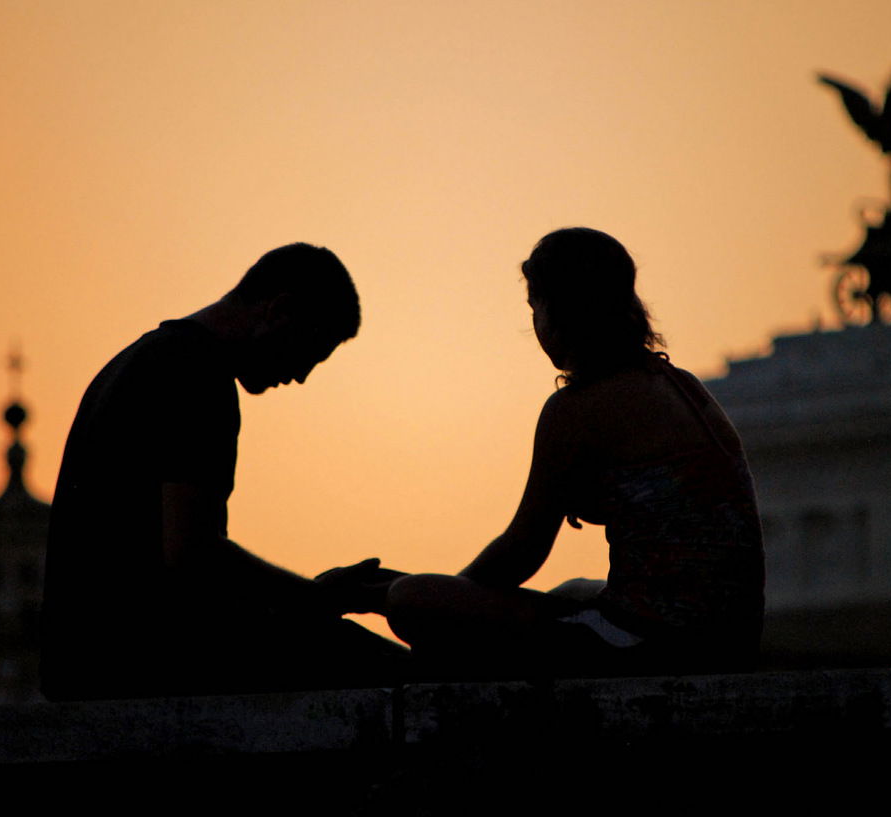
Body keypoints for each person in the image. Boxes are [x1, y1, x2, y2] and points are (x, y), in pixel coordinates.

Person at [386, 228, 764, 676]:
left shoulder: (575, 409)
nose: (535, 325)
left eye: (535, 307)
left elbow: (521, 552)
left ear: (561, 309)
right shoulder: (681, 384)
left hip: (655, 644)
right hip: (732, 641)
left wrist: (437, 595)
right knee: (571, 593)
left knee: (411, 601)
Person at [41, 243, 405, 701]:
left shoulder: (141, 359)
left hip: (82, 661)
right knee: (403, 678)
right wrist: (318, 601)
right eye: (309, 351)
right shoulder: (197, 373)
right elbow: (192, 556)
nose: (300, 377)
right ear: (281, 309)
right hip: (136, 661)